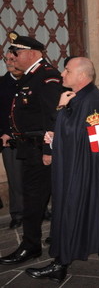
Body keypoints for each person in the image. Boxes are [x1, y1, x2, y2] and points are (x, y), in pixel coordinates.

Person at [24, 57, 99, 282]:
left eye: (67, 70)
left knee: (75, 214)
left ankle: (62, 263)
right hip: (73, 168)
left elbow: (92, 141)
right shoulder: (78, 97)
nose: (62, 74)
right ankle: (61, 261)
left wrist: (60, 109)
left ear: (82, 76)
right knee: (68, 214)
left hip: (84, 171)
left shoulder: (94, 100)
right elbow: (71, 133)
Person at [0, 31, 63, 265]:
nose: (12, 57)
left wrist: (49, 151)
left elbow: (53, 118)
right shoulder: (31, 76)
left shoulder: (46, 78)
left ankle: (31, 246)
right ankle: (34, 243)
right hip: (30, 148)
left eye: (17, 52)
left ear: (32, 53)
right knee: (32, 199)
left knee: (35, 200)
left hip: (40, 151)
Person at [0, 51, 24, 229]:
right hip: (9, 139)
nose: (9, 62)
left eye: (12, 59)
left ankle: (39, 209)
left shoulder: (33, 81)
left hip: (33, 138)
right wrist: (5, 132)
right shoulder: (1, 84)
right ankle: (18, 213)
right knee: (15, 179)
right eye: (6, 59)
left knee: (36, 177)